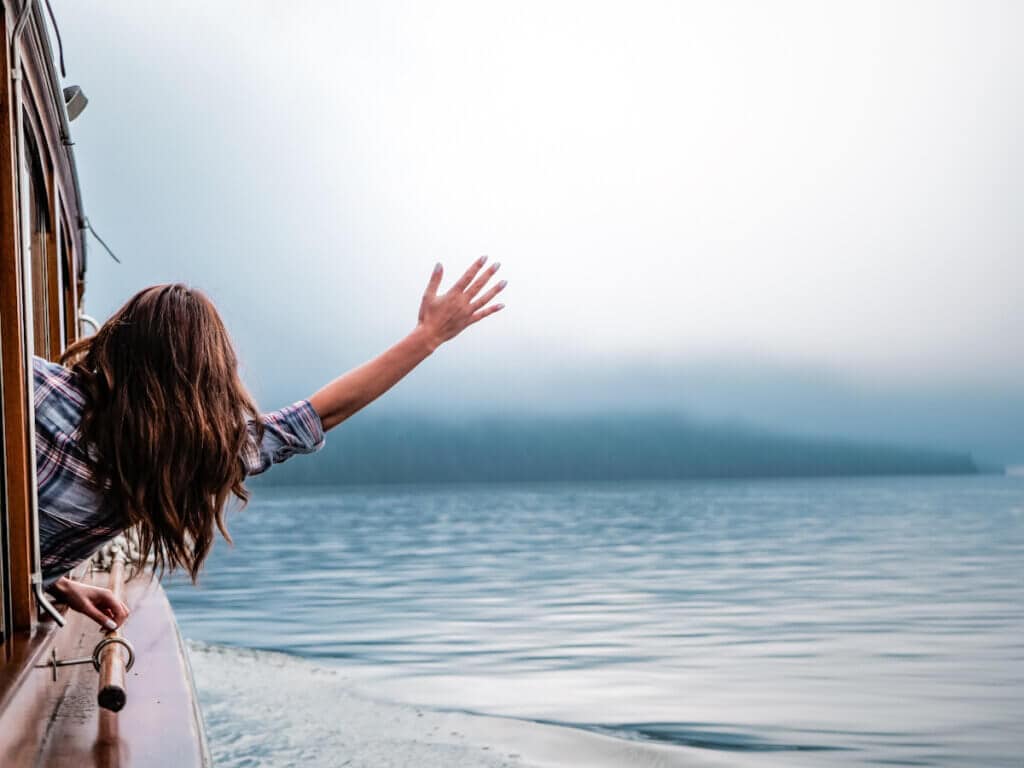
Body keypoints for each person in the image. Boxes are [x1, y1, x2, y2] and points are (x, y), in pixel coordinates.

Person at [35, 257, 505, 630]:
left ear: (115, 345)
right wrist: (427, 338)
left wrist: (56, 583)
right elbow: (323, 412)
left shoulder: (30, 388)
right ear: (210, 374)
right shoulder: (196, 455)